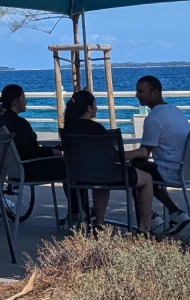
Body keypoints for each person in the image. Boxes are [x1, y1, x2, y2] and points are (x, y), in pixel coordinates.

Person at [63, 89, 152, 233]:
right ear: (89, 108)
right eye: (95, 105)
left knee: (101, 180)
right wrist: (139, 152)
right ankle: (145, 227)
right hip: (106, 174)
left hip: (78, 176)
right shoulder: (97, 129)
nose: (97, 108)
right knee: (147, 179)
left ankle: (99, 224)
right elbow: (115, 156)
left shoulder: (68, 130)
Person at [129, 74, 190, 235]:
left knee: (134, 172)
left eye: (140, 91)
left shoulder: (154, 118)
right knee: (144, 170)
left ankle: (146, 223)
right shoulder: (175, 111)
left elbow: (144, 153)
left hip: (171, 170)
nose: (137, 95)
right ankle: (174, 214)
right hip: (189, 170)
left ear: (155, 92)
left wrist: (117, 156)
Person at [0, 84, 65, 184]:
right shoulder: (20, 124)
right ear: (16, 102)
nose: (25, 102)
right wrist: (52, 152)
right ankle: (77, 200)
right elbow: (32, 151)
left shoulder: (0, 122)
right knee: (68, 167)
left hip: (12, 171)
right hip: (29, 169)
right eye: (23, 98)